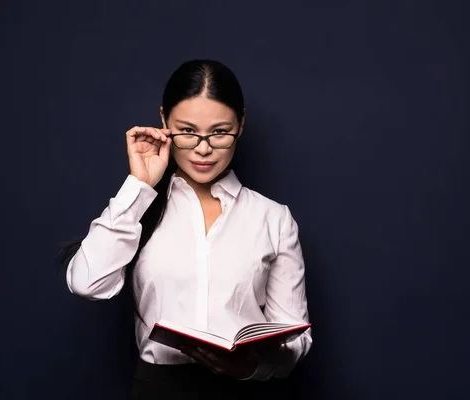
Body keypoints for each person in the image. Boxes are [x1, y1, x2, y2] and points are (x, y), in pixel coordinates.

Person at [58, 59, 312, 399]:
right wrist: (139, 185)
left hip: (243, 389)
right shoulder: (140, 205)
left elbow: (295, 338)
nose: (203, 148)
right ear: (164, 121)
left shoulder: (273, 218)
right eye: (188, 131)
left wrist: (251, 367)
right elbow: (87, 283)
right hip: (157, 389)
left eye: (220, 132)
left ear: (241, 124)